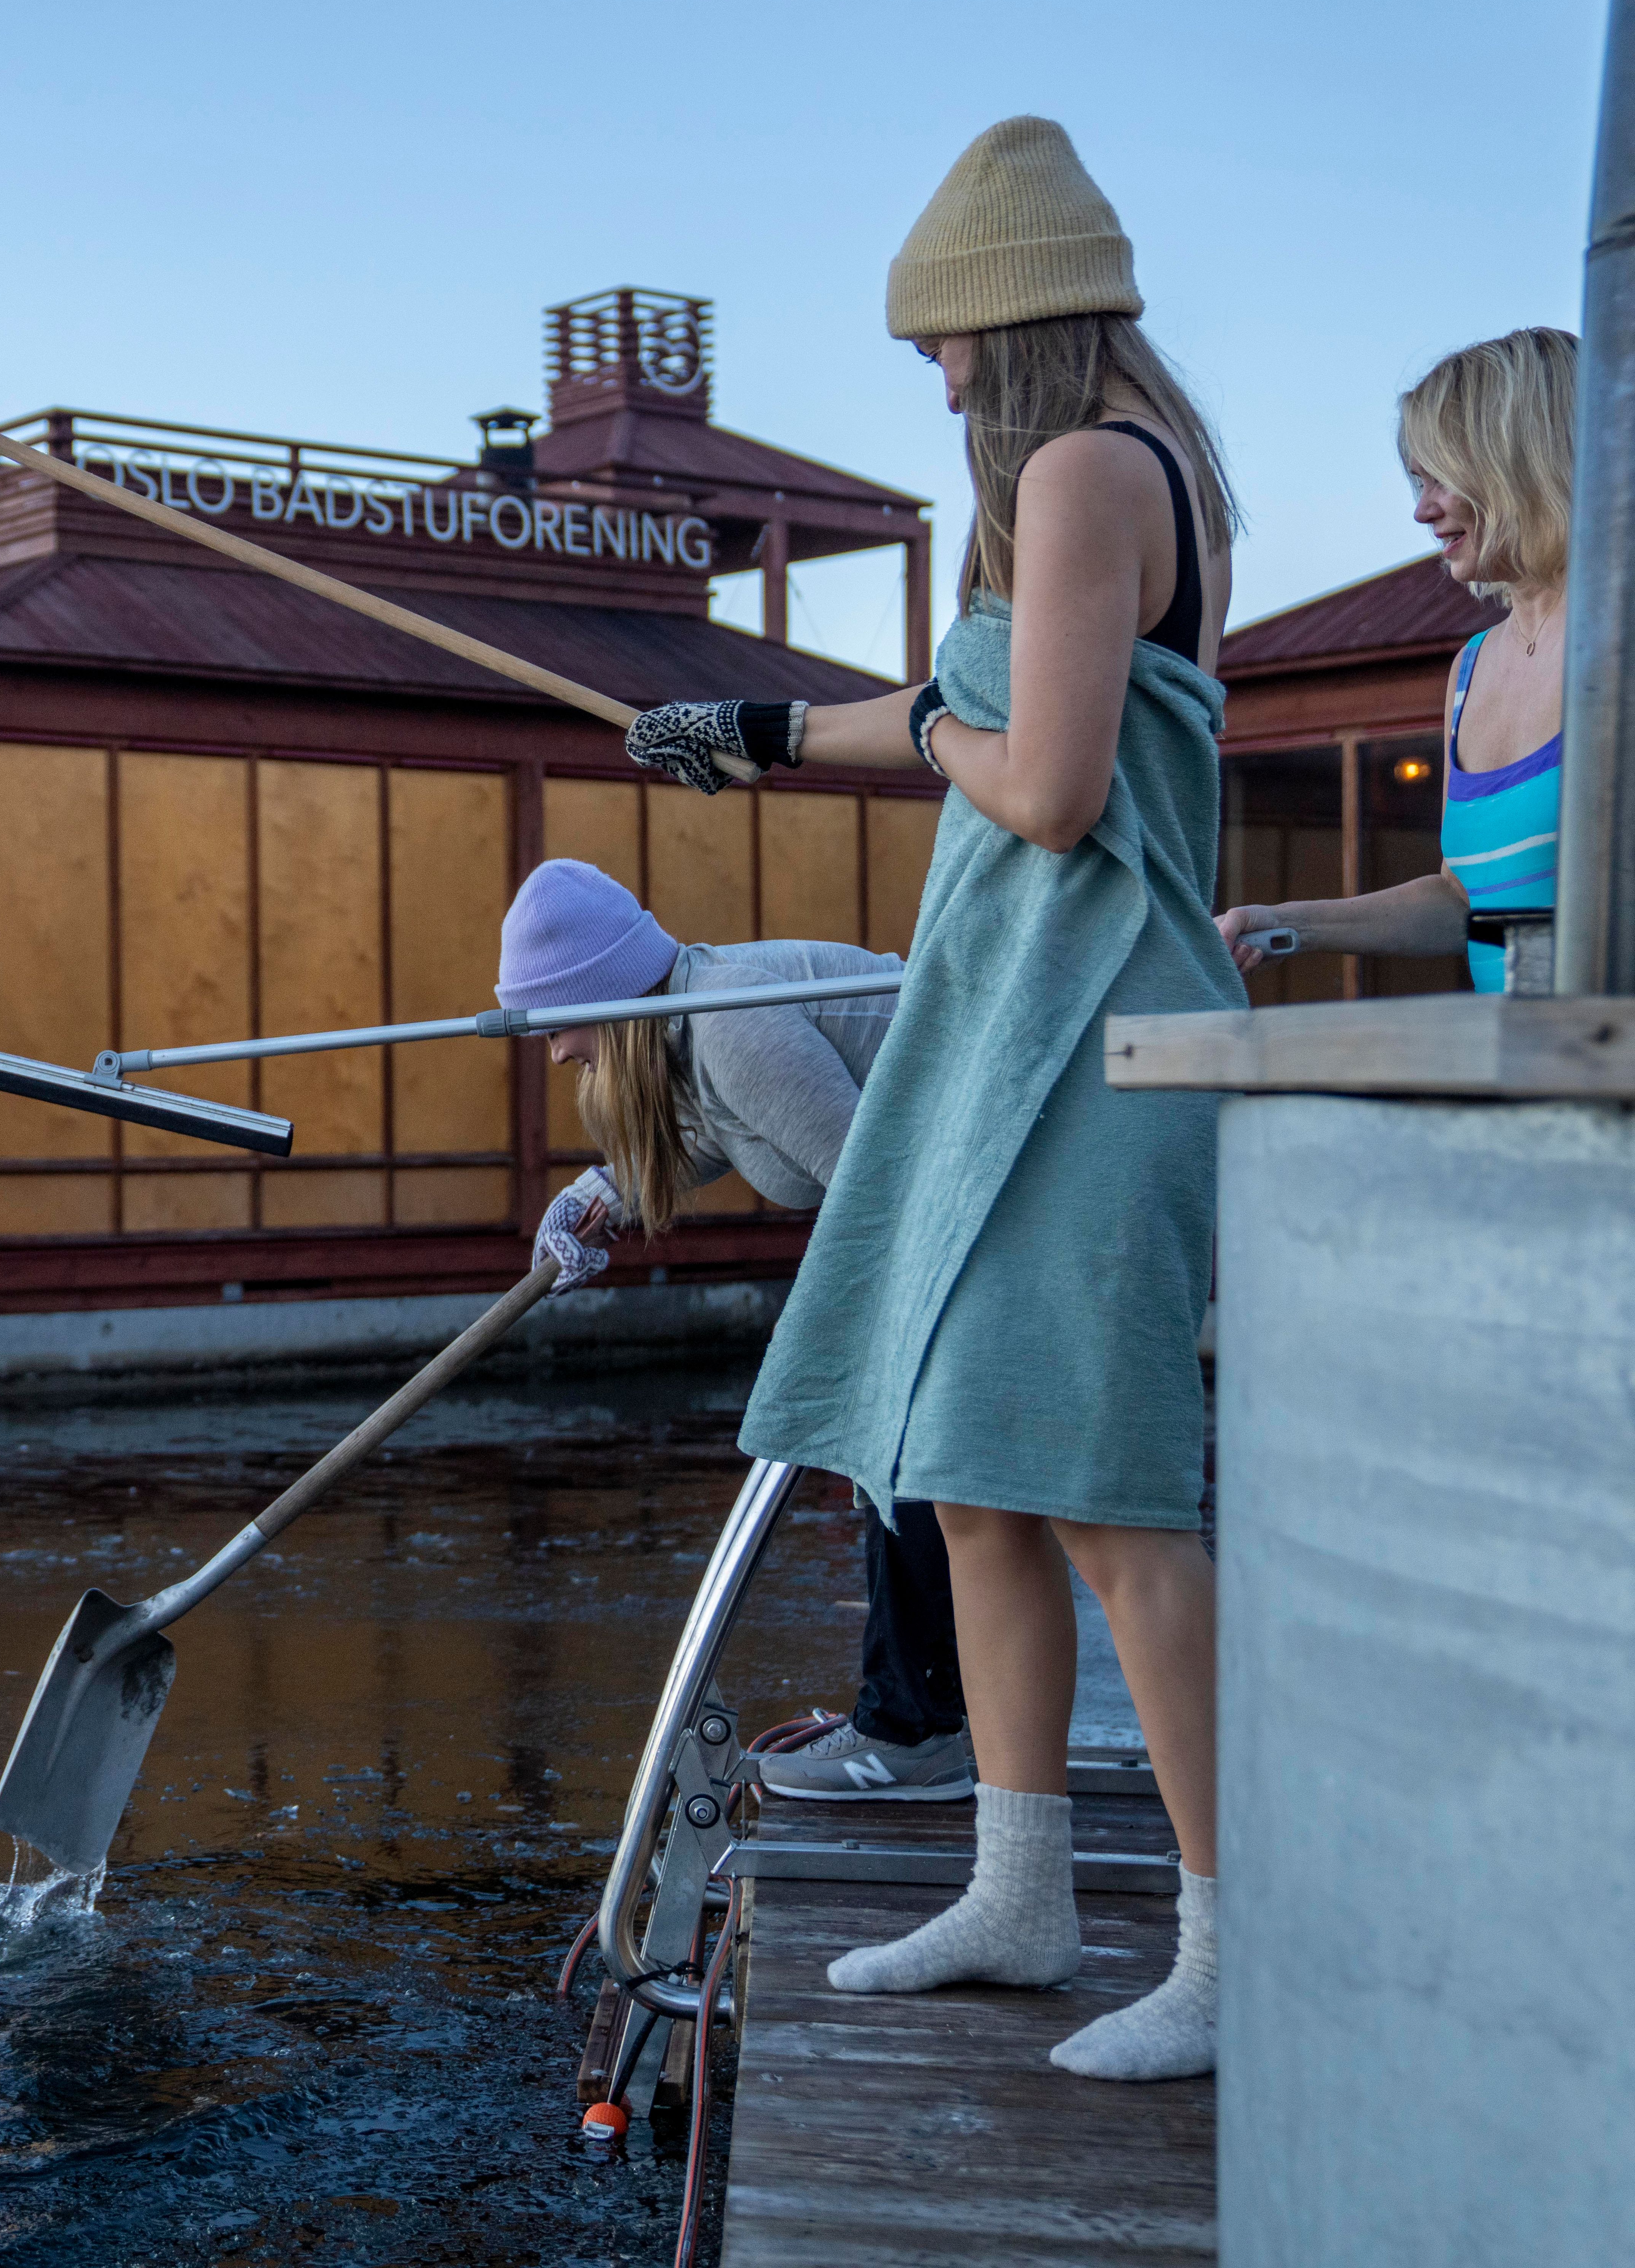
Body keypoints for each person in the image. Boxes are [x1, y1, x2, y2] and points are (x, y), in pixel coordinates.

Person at [620, 117, 1242, 2082]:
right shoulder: (1123, 470)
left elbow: (1041, 780)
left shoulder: (1079, 468)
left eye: (945, 348)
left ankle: (1232, 1948)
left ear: (1011, 325)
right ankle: (1023, 1885)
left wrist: (950, 726)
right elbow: (971, 707)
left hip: (1090, 1028)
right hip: (1012, 1038)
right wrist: (772, 733)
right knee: (972, 1471)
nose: (941, 383)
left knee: (1109, 1493)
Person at [502, 858, 974, 1801]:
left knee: (899, 1459)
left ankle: (913, 1731)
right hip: (945, 1212)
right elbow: (720, 1132)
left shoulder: (731, 1024)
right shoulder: (698, 1023)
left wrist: (841, 1356)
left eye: (560, 1021)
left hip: (984, 1204)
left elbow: (870, 1190)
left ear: (612, 995)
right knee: (898, 1461)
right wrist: (605, 1193)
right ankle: (916, 1718)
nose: (555, 1053)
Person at [1217, 328, 1575, 989]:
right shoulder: (1470, 670)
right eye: (1418, 480)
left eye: (1444, 477)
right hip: (1530, 1082)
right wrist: (1284, 921)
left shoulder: (1618, 642)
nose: (1422, 509)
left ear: (1523, 459)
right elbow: (1460, 903)